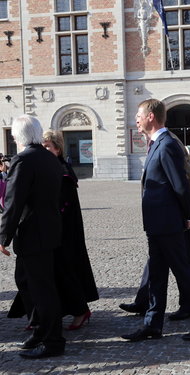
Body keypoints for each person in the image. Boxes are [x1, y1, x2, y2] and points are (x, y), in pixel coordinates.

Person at [122, 99, 190, 342]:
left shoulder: (166, 145)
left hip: (167, 223)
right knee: (156, 274)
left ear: (151, 117)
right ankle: (152, 323)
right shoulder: (157, 144)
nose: (136, 119)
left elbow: (180, 184)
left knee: (183, 273)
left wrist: (188, 215)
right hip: (157, 223)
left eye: (139, 115)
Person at [119, 129, 190, 321]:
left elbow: (186, 176)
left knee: (183, 263)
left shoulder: (169, 142)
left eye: (140, 118)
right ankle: (145, 302)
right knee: (156, 262)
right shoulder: (156, 142)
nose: (137, 124)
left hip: (175, 214)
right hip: (162, 217)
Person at [0, 115, 65, 359]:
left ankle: (52, 341)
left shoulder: (23, 160)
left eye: (15, 135)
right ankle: (40, 332)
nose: (14, 138)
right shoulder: (49, 158)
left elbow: (13, 202)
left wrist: (3, 236)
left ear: (19, 136)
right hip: (48, 230)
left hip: (33, 234)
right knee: (31, 284)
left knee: (42, 290)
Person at [42, 131, 99, 329]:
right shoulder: (50, 167)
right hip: (54, 231)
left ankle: (80, 311)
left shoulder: (62, 170)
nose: (45, 149)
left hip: (64, 232)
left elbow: (63, 204)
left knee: (66, 271)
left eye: (48, 146)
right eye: (43, 146)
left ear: (57, 148)